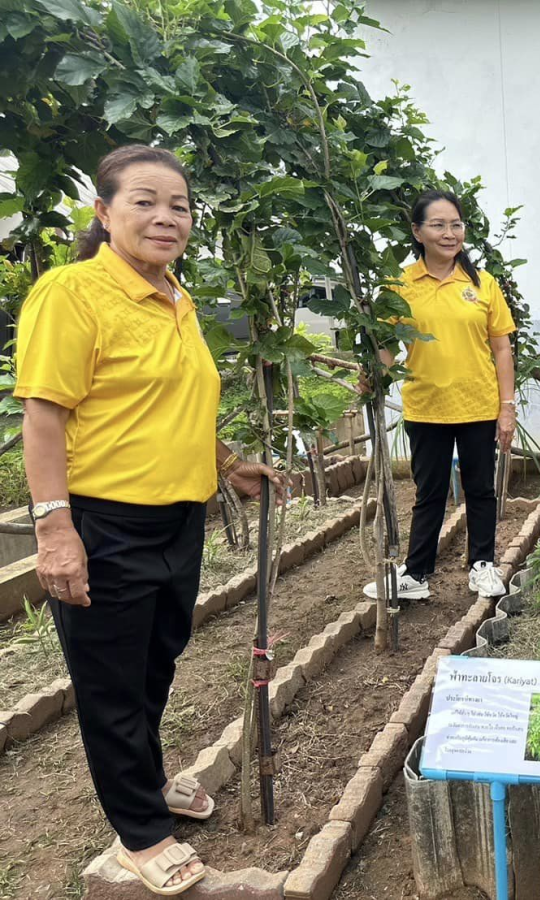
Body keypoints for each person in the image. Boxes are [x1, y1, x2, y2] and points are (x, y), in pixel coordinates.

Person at [15, 144, 288, 896]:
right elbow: (44, 416)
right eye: (145, 201)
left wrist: (225, 461)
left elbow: (176, 402)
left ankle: (145, 780)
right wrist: (53, 529)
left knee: (153, 664)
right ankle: (139, 834)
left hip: (176, 522)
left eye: (180, 205)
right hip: (105, 523)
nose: (166, 217)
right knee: (109, 682)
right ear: (103, 213)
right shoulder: (72, 293)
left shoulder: (175, 295)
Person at [378, 190, 516, 601]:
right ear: (417, 232)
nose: (449, 233)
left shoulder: (482, 284)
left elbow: (502, 347)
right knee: (430, 492)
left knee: (480, 490)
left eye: (455, 224)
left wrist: (506, 407)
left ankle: (482, 565)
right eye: (438, 225)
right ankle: (416, 573)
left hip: (477, 405)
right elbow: (384, 341)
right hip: (426, 406)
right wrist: (378, 374)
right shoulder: (400, 285)